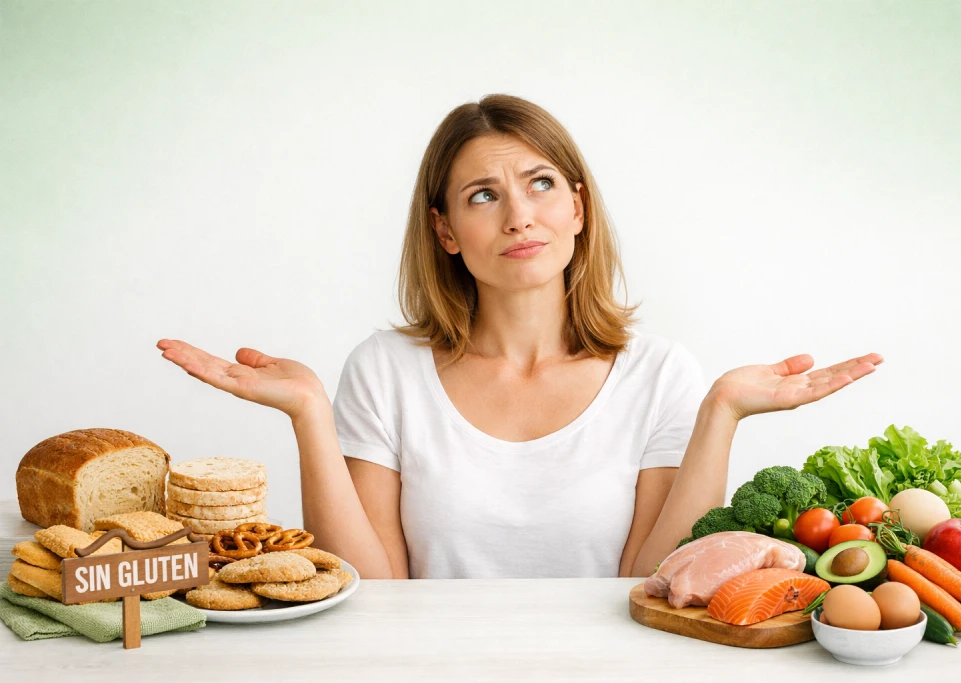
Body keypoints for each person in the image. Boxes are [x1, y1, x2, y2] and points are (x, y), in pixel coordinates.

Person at [156, 94, 882, 580]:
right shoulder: (385, 371)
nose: (519, 217)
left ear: (578, 208)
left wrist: (720, 410)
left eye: (540, 184)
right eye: (483, 196)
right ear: (444, 230)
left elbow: (651, 587)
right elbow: (373, 595)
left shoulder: (661, 373)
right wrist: (310, 414)